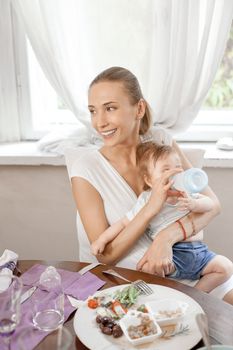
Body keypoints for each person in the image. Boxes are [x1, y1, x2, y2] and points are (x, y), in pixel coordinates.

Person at [70, 66, 233, 303]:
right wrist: (150, 208)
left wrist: (165, 238)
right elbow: (106, 256)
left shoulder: (161, 141)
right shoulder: (86, 168)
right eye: (93, 111)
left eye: (110, 108)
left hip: (191, 269)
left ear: (139, 108)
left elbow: (213, 205)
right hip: (135, 282)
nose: (100, 122)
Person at [91, 141, 233, 293]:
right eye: (166, 170)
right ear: (149, 180)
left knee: (226, 267)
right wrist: (101, 240)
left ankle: (196, 295)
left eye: (178, 167)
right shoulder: (147, 199)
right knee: (146, 269)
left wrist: (194, 205)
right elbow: (123, 223)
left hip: (199, 252)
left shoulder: (187, 193)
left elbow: (210, 204)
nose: (175, 173)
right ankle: (167, 296)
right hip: (171, 256)